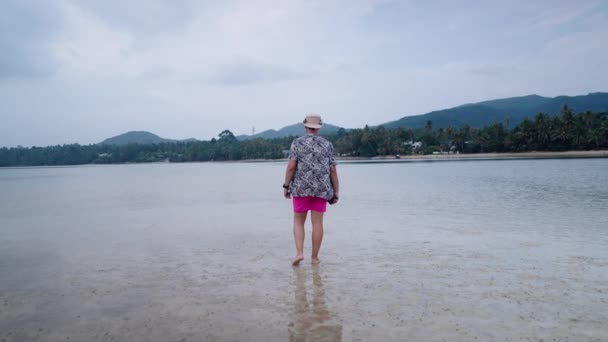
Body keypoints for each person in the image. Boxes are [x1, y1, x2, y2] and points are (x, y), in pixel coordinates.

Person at [283, 113, 340, 266]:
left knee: (298, 221)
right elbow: (333, 170)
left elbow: (291, 167)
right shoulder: (327, 144)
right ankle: (314, 258)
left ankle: (299, 253)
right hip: (321, 189)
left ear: (305, 126)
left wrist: (286, 186)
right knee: (317, 223)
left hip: (301, 188)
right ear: (318, 127)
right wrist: (336, 191)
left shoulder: (297, 143)